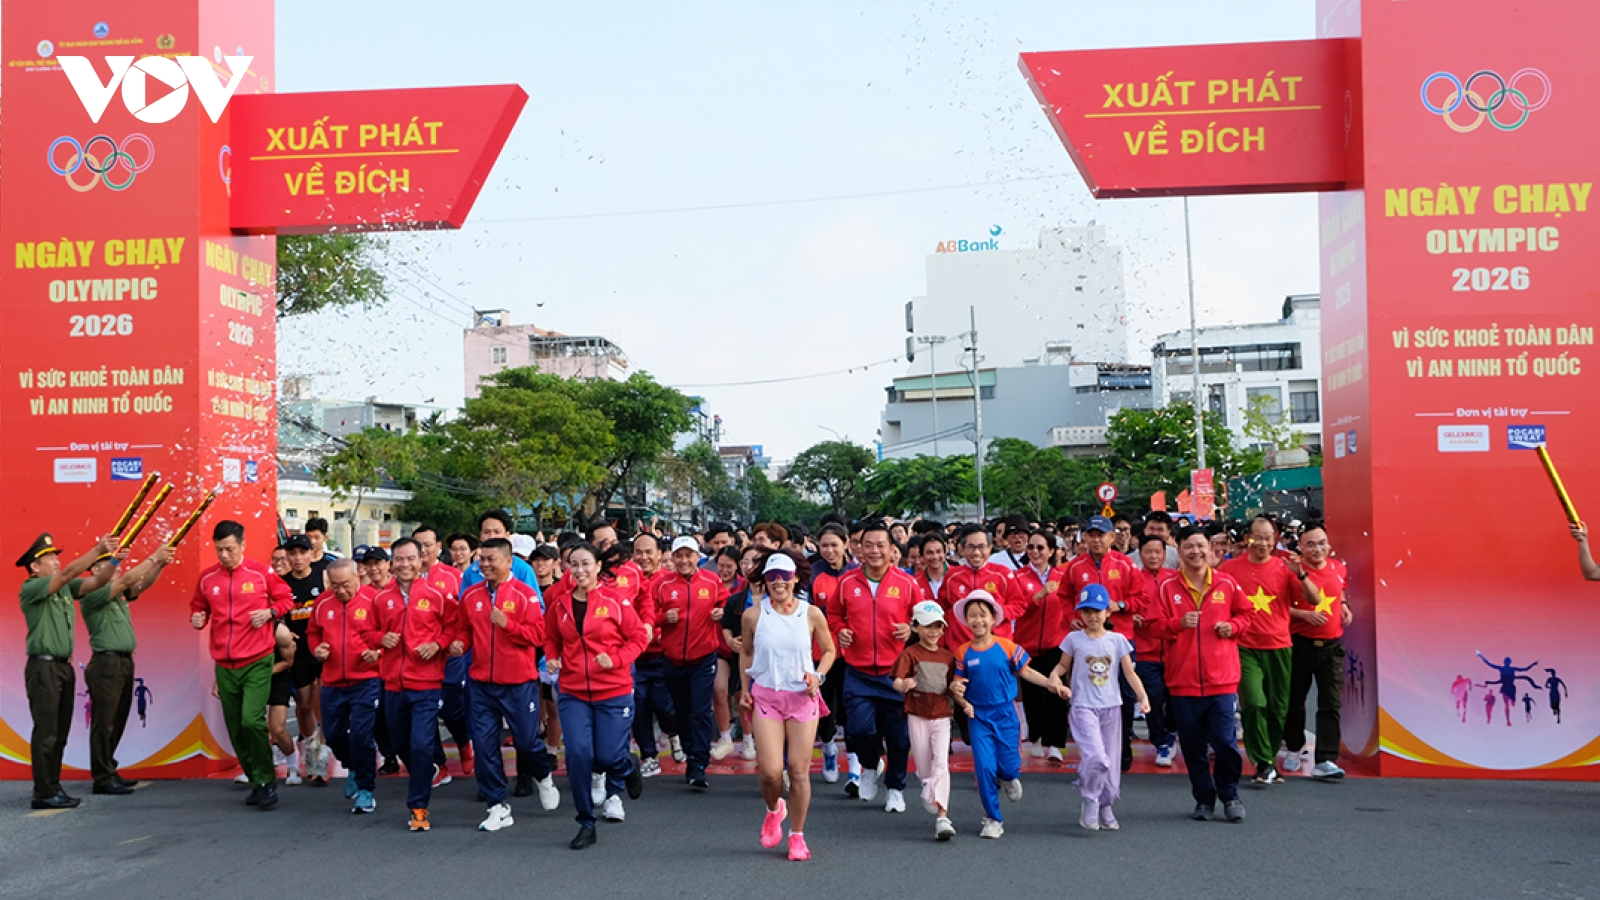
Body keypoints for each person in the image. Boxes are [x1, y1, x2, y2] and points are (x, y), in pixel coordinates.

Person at [544, 542, 647, 849]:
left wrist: (615, 659)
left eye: (586, 564)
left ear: (598, 566)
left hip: (613, 691)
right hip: (573, 692)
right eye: (573, 564)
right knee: (577, 755)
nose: (579, 570)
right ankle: (585, 822)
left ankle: (627, 766)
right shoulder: (559, 603)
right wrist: (552, 657)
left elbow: (639, 636)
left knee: (607, 756)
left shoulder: (616, 600)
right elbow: (550, 638)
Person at [1147, 525, 1254, 822]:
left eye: (1200, 545)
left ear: (1210, 548)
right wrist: (1177, 624)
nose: (1195, 552)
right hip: (1183, 683)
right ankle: (1203, 799)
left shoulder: (1227, 584)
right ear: (1178, 552)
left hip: (1222, 680)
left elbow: (1247, 615)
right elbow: (1153, 626)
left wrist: (1232, 627)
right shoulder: (1167, 588)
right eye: (1188, 547)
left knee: (1224, 743)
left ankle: (1230, 795)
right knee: (1193, 748)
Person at [190, 521, 296, 810]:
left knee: (251, 720)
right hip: (225, 665)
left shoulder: (261, 574)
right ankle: (256, 778)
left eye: (229, 549)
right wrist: (198, 617)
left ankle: (265, 780)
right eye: (219, 549)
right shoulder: (208, 578)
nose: (224, 555)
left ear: (242, 545)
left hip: (257, 660)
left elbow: (287, 598)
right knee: (235, 727)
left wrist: (270, 612)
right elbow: (198, 606)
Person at [739, 550, 836, 862]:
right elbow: (747, 653)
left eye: (784, 576)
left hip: (801, 698)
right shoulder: (753, 615)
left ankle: (797, 835)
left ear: (795, 578)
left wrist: (818, 676)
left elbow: (830, 650)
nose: (778, 582)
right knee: (769, 773)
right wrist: (744, 688)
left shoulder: (811, 614)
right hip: (767, 696)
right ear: (764, 581)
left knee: (798, 770)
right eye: (772, 577)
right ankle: (773, 809)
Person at [458, 538, 560, 831]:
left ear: (508, 562)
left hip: (518, 683)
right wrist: (457, 643)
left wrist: (507, 625)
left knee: (527, 743)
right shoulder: (471, 595)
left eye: (492, 559)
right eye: (482, 559)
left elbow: (538, 636)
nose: (485, 565)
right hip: (480, 683)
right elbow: (464, 630)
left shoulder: (525, 595)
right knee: (484, 745)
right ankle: (497, 805)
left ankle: (543, 776)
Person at [828, 520, 924, 813]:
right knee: (858, 731)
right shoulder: (846, 583)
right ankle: (870, 765)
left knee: (898, 737)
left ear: (892, 550)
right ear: (858, 548)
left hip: (895, 674)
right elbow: (832, 614)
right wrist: (840, 629)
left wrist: (911, 629)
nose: (874, 551)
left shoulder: (907, 583)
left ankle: (895, 789)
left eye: (880, 545)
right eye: (867, 545)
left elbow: (925, 619)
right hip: (858, 673)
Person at [18, 532, 120, 809]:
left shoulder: (64, 589)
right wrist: (97, 548)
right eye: (48, 557)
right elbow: (68, 574)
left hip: (63, 667)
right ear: (34, 567)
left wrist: (112, 559)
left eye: (55, 556)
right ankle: (43, 792)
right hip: (43, 667)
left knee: (60, 733)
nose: (55, 561)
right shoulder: (31, 588)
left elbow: (97, 581)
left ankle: (54, 787)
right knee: (47, 732)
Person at [948, 590, 1054, 839]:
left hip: (1006, 714)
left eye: (983, 615)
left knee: (1009, 767)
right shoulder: (963, 652)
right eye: (972, 616)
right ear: (966, 621)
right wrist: (958, 694)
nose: (978, 621)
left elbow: (1026, 672)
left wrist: (1051, 684)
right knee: (984, 767)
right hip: (979, 717)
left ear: (993, 618)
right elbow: (957, 685)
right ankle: (992, 818)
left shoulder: (1007, 647)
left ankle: (1009, 777)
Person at [372, 538, 459, 832]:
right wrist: (379, 639)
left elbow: (453, 628)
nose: (405, 564)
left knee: (421, 744)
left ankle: (419, 807)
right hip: (392, 685)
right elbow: (367, 630)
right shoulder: (381, 597)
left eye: (411, 558)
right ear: (391, 563)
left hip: (427, 684)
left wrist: (437, 645)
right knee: (400, 745)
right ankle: (425, 771)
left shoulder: (437, 595)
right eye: (399, 559)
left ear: (421, 560)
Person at [1047, 585, 1149, 832]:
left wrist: (1143, 697)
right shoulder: (1073, 639)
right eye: (1087, 611)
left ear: (1107, 613)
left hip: (1111, 708)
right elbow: (1062, 666)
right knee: (1097, 758)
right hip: (1083, 707)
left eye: (1098, 611)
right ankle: (1090, 799)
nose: (1092, 616)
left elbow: (1129, 672)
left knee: (1111, 766)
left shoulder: (1117, 640)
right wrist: (1054, 676)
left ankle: (1106, 804)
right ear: (1080, 614)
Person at [81, 545, 173, 796]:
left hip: (122, 662)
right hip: (106, 664)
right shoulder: (94, 595)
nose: (118, 568)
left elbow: (141, 584)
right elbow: (129, 580)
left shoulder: (119, 594)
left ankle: (108, 769)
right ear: (97, 571)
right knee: (104, 723)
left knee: (117, 720)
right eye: (110, 565)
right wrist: (153, 557)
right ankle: (101, 777)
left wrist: (160, 566)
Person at [1218, 515, 1299, 786]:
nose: (1263, 543)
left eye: (1268, 537)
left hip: (1280, 645)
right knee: (1254, 702)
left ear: (1275, 539)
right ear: (1247, 538)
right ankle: (1263, 762)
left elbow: (1312, 599)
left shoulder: (1285, 567)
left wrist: (1302, 573)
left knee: (1278, 708)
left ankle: (1268, 758)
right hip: (1245, 646)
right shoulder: (1229, 569)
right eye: (1258, 537)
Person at [1063, 516, 1140, 770]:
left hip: (1119, 638)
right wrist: (1070, 617)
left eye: (1102, 535)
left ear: (1112, 537)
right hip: (1087, 640)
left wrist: (1122, 605)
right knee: (1090, 691)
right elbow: (1063, 597)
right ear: (1085, 537)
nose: (1096, 540)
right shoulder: (1074, 567)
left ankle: (1123, 743)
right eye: (1092, 534)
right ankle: (1093, 748)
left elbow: (1142, 598)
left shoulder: (1126, 564)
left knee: (1123, 695)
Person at [651, 536, 729, 789]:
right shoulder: (662, 585)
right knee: (681, 711)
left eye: (689, 555)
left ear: (698, 557)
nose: (684, 560)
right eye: (679, 555)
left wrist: (721, 611)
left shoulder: (712, 580)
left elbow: (726, 602)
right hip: (672, 658)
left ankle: (698, 765)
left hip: (703, 657)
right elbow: (648, 615)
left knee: (700, 710)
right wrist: (664, 617)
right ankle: (688, 750)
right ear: (672, 557)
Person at [307, 559, 383, 813]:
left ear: (357, 577)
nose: (341, 591)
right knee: (334, 735)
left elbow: (391, 632)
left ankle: (366, 789)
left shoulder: (375, 600)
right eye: (336, 585)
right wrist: (316, 649)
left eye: (346, 585)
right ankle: (353, 767)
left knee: (362, 736)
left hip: (366, 680)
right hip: (332, 682)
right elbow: (313, 633)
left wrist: (378, 651)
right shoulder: (322, 604)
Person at [1283, 521, 1354, 780]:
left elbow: (1340, 591)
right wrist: (1303, 615)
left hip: (1331, 646)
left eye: (1321, 543)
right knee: (1295, 701)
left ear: (1329, 546)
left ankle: (1325, 759)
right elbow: (1275, 608)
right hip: (1300, 643)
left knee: (1330, 703)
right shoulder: (1291, 572)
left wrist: (1344, 605)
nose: (1317, 549)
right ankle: (1293, 747)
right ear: (1300, 547)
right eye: (1310, 544)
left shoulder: (1338, 568)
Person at [891, 601, 958, 841]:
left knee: (942, 764)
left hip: (941, 715)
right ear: (916, 627)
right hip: (917, 714)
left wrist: (958, 691)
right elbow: (896, 681)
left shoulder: (948, 657)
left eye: (938, 626)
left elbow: (952, 686)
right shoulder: (909, 654)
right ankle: (929, 786)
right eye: (928, 626)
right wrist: (904, 685)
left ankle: (943, 817)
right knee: (923, 766)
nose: (933, 631)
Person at [1012, 529, 1070, 763]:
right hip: (1026, 644)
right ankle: (1035, 737)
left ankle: (1055, 743)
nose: (1035, 552)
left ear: (1052, 551)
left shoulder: (1063, 576)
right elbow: (1016, 607)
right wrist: (1038, 595)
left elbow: (1070, 604)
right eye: (1031, 547)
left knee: (1055, 691)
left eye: (1040, 547)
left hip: (1055, 643)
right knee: (1033, 694)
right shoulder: (1017, 577)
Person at [279, 534, 331, 786]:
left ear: (312, 553)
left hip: (320, 647)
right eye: (293, 553)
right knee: (304, 704)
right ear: (287, 556)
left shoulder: (323, 577)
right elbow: (277, 616)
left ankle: (320, 758)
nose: (298, 558)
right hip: (297, 651)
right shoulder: (281, 584)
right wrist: (283, 632)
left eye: (302, 552)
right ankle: (309, 748)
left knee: (321, 701)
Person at [628, 533, 677, 776]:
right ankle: (649, 756)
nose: (644, 557)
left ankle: (675, 734)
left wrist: (656, 623)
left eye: (649, 551)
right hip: (634, 657)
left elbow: (674, 616)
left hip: (663, 655)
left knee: (664, 705)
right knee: (638, 706)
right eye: (638, 552)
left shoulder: (669, 582)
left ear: (659, 553)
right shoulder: (624, 582)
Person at [809, 524, 852, 784]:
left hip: (853, 652)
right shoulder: (811, 575)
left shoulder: (857, 573)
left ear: (846, 544)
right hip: (821, 653)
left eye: (835, 544)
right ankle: (829, 749)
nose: (829, 550)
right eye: (824, 545)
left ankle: (858, 762)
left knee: (851, 708)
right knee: (827, 706)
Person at [1132, 532, 1178, 767]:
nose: (1153, 556)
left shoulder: (1176, 578)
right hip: (1145, 650)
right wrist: (1132, 616)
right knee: (1152, 696)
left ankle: (1171, 732)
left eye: (1157, 552)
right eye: (1148, 552)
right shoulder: (1134, 579)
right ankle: (1160, 742)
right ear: (1140, 555)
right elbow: (1124, 607)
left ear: (1165, 554)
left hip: (1174, 649)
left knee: (1174, 698)